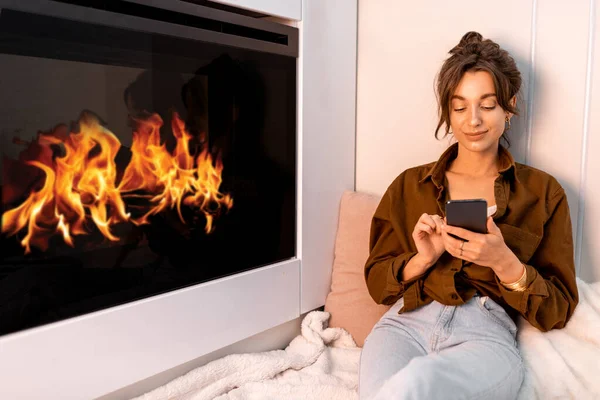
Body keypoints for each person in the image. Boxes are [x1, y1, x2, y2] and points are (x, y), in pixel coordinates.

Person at [359, 31, 579, 400]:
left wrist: (505, 262)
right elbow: (376, 282)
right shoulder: (409, 186)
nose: (472, 120)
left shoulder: (543, 192)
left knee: (417, 388)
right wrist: (421, 260)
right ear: (447, 110)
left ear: (508, 107)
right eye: (459, 107)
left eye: (487, 105)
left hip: (485, 332)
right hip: (404, 325)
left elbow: (556, 310)